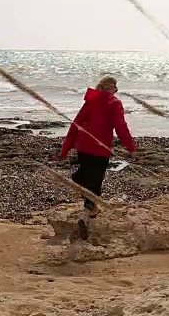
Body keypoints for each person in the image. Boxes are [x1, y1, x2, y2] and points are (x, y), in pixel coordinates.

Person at [59, 76, 137, 240]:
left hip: (83, 147)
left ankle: (85, 198)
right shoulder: (115, 103)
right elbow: (120, 126)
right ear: (111, 88)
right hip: (100, 149)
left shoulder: (91, 101)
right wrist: (131, 147)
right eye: (115, 88)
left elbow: (75, 125)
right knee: (95, 184)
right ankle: (87, 217)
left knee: (86, 177)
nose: (115, 92)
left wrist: (65, 149)